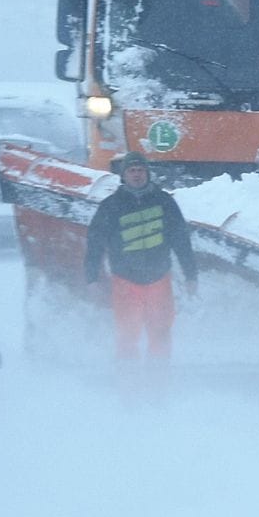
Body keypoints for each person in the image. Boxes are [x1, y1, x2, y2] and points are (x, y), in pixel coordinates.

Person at [84, 151, 198, 365]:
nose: (137, 175)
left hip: (159, 281)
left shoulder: (164, 202)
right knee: (127, 339)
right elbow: (94, 244)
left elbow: (181, 241)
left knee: (161, 336)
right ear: (124, 175)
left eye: (141, 170)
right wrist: (92, 278)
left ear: (148, 173)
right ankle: (130, 393)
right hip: (125, 283)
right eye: (132, 170)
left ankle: (158, 390)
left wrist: (191, 274)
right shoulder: (110, 206)